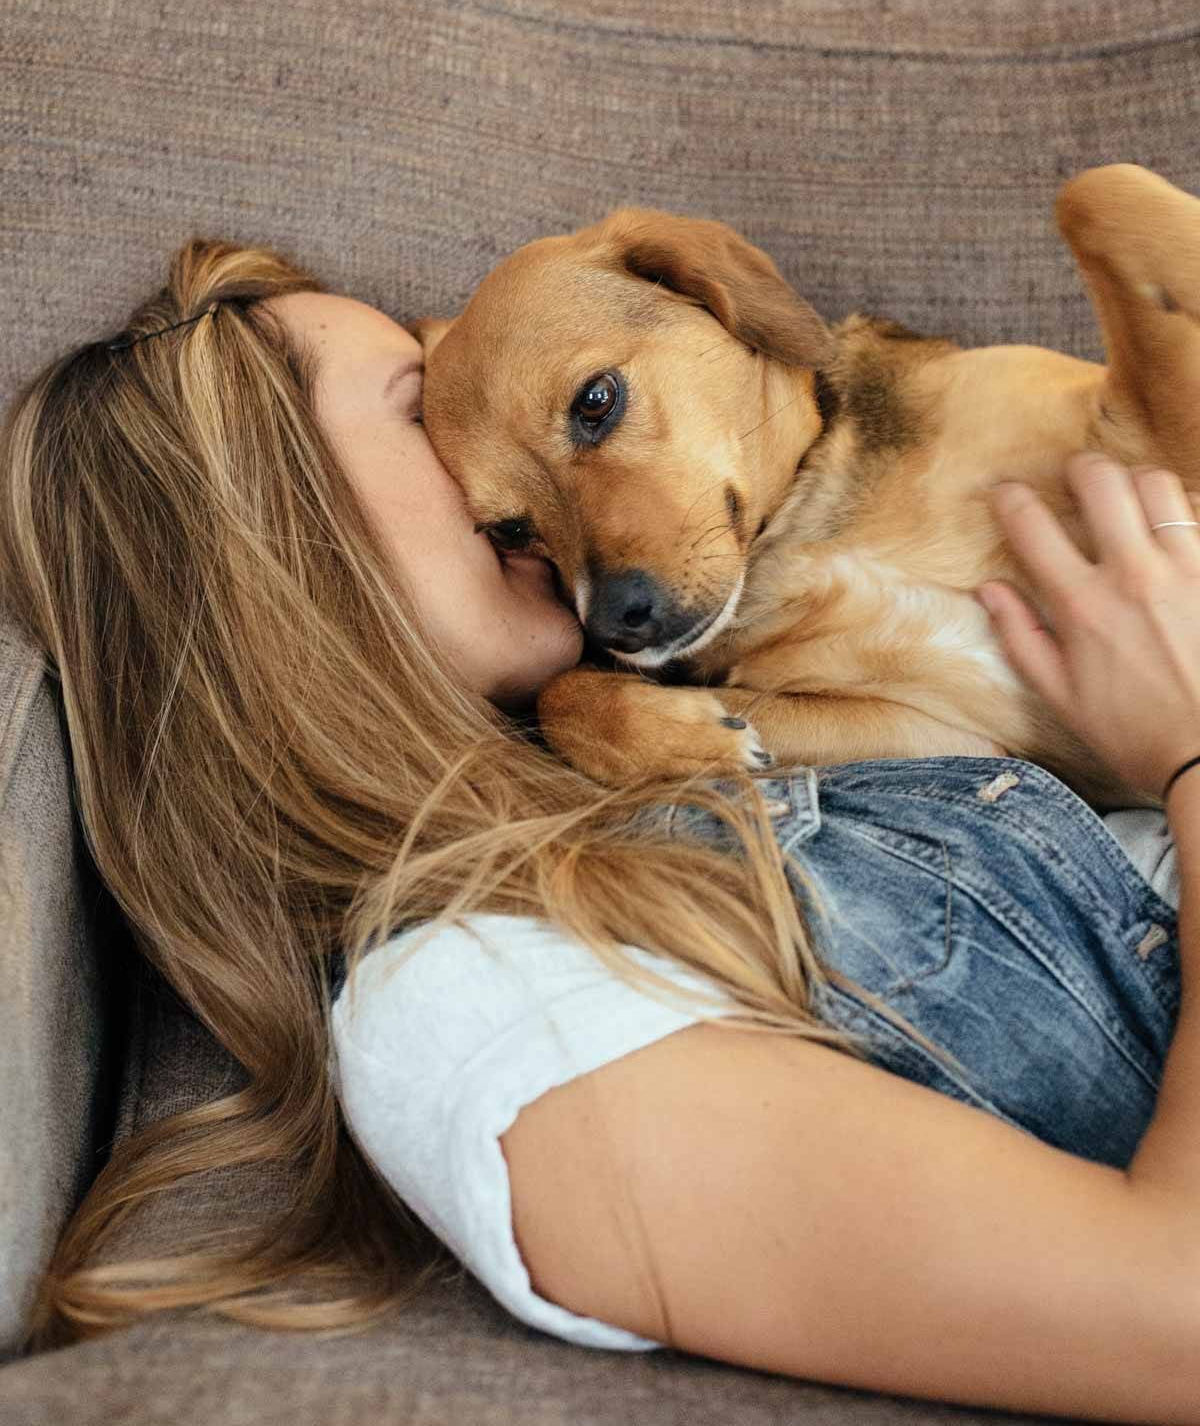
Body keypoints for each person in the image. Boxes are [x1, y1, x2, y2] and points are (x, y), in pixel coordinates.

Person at [3, 236, 1200, 1423]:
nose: (462, 372)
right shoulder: (476, 1018)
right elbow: (1170, 1317)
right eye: (418, 396)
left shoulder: (705, 708)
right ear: (276, 545)